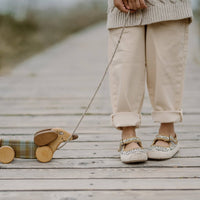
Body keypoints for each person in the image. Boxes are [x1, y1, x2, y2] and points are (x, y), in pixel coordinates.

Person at [107, 0, 193, 163]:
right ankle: (127, 131)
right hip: (124, 7)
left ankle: (168, 130)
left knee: (166, 64)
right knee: (125, 65)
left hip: (169, 5)